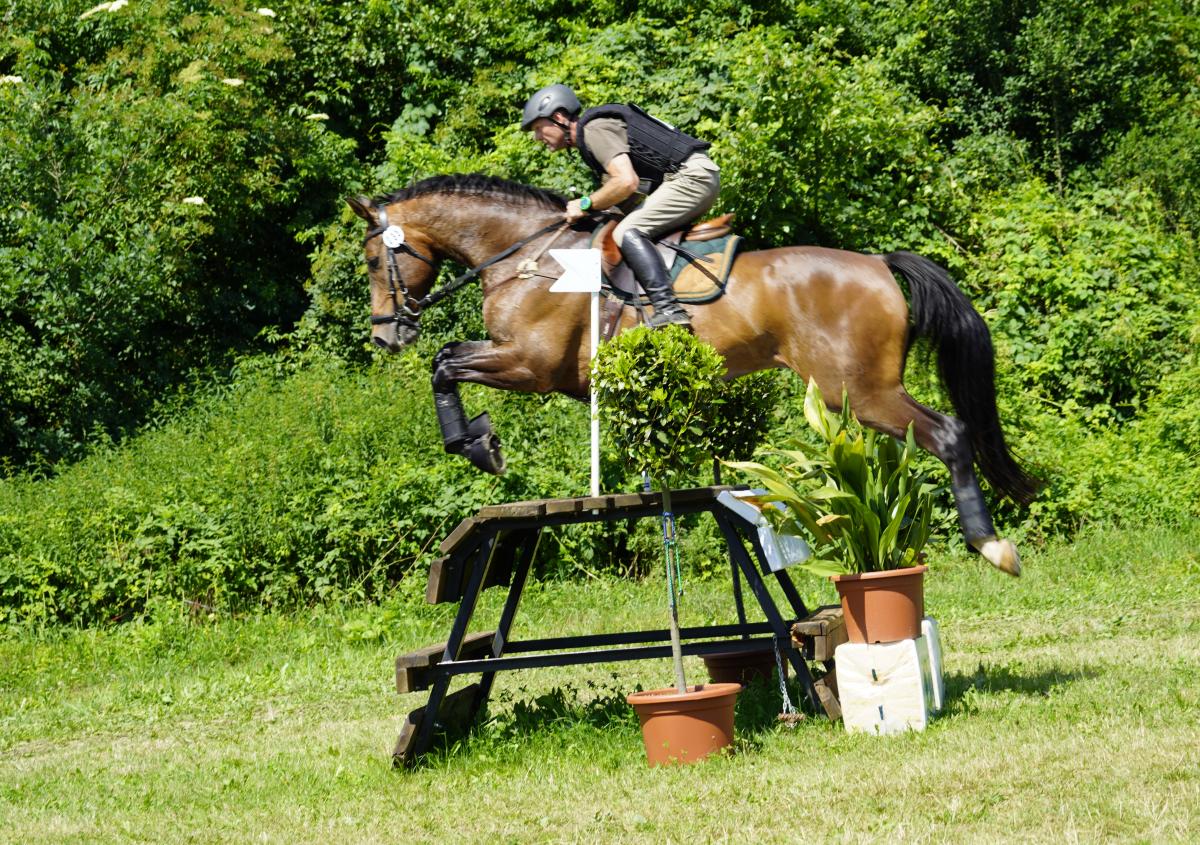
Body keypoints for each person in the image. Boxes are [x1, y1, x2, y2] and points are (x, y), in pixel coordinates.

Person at [521, 84, 720, 328]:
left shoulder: (594, 129)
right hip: (691, 176)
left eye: (539, 128)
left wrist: (585, 203)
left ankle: (668, 309)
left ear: (559, 118)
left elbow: (626, 182)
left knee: (627, 232)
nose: (537, 138)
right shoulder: (591, 136)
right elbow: (631, 192)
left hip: (691, 177)